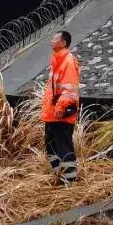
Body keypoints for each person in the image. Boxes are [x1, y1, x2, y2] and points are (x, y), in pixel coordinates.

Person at [42, 30, 80, 184]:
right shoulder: (57, 60)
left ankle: (69, 181)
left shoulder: (67, 61)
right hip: (53, 113)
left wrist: (60, 108)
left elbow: (69, 90)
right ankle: (60, 177)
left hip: (61, 113)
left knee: (63, 147)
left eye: (54, 39)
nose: (51, 41)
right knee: (51, 146)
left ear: (63, 43)